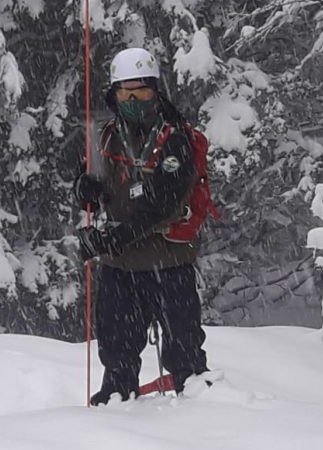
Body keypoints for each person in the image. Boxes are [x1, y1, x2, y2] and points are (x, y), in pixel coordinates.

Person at [73, 47, 210, 405]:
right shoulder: (104, 137)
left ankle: (206, 425)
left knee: (186, 358)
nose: (133, 101)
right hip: (120, 267)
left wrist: (111, 238)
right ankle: (116, 417)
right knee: (116, 353)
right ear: (114, 94)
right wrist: (84, 189)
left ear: (155, 90)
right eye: (125, 93)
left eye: (141, 92)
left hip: (169, 260)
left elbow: (162, 203)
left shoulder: (175, 137)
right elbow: (91, 187)